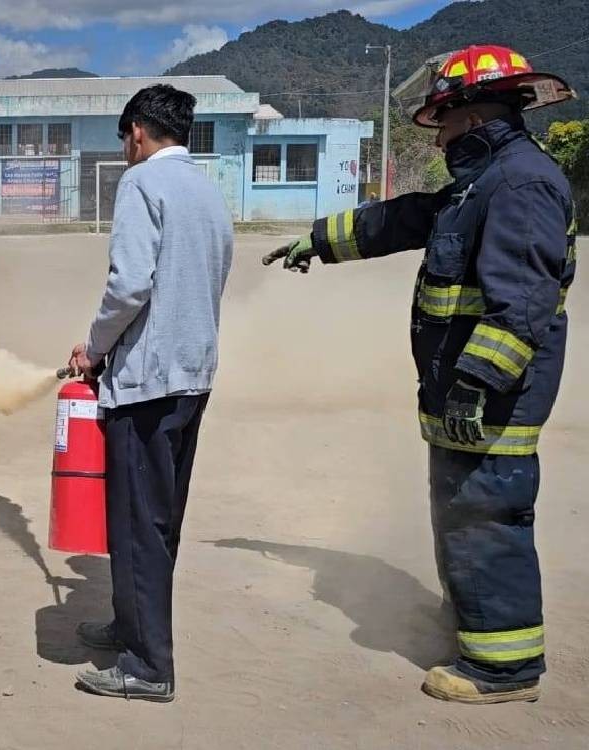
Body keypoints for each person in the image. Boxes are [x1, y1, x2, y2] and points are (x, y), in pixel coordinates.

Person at [263, 45, 577, 704]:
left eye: (443, 119)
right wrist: (320, 240)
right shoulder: (479, 182)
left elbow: (521, 302)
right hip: (459, 395)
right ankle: (472, 622)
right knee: (459, 511)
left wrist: (476, 382)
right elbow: (403, 219)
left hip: (488, 399)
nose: (437, 134)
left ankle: (503, 670)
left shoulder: (520, 183)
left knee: (486, 516)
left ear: (472, 112)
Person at [67, 84, 233, 702]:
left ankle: (146, 667)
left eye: (124, 139)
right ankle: (129, 625)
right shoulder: (207, 190)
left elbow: (130, 284)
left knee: (137, 523)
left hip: (146, 382)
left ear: (136, 132)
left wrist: (94, 347)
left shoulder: (140, 185)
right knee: (159, 520)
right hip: (193, 375)